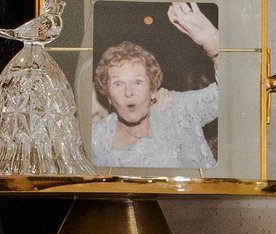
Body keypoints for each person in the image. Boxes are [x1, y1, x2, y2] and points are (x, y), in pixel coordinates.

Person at [89, 0, 220, 170]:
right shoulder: (97, 137)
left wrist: (212, 42)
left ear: (153, 89)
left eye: (138, 82)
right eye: (118, 84)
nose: (129, 92)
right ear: (107, 94)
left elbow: (230, 94)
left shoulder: (178, 110)